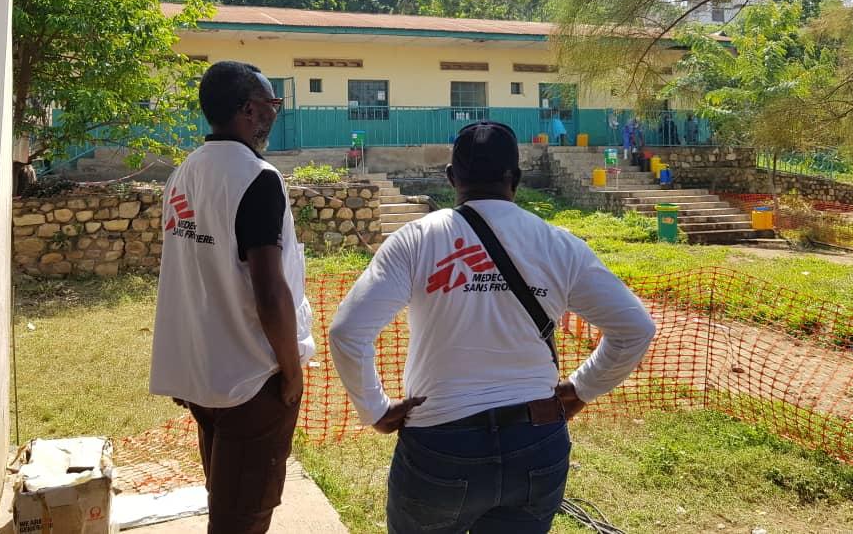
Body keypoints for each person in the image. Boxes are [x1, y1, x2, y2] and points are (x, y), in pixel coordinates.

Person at [329, 121, 656, 534]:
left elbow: (347, 332)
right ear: (515, 178)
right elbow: (635, 328)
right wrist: (582, 388)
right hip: (537, 443)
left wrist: (373, 409)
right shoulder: (558, 244)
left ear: (452, 177)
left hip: (441, 444)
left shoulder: (417, 239)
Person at [149, 60, 315, 534]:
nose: (275, 114)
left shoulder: (184, 173)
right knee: (242, 517)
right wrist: (292, 371)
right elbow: (269, 289)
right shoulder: (257, 177)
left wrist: (188, 365)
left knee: (227, 498)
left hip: (204, 372)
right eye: (272, 104)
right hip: (252, 379)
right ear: (247, 110)